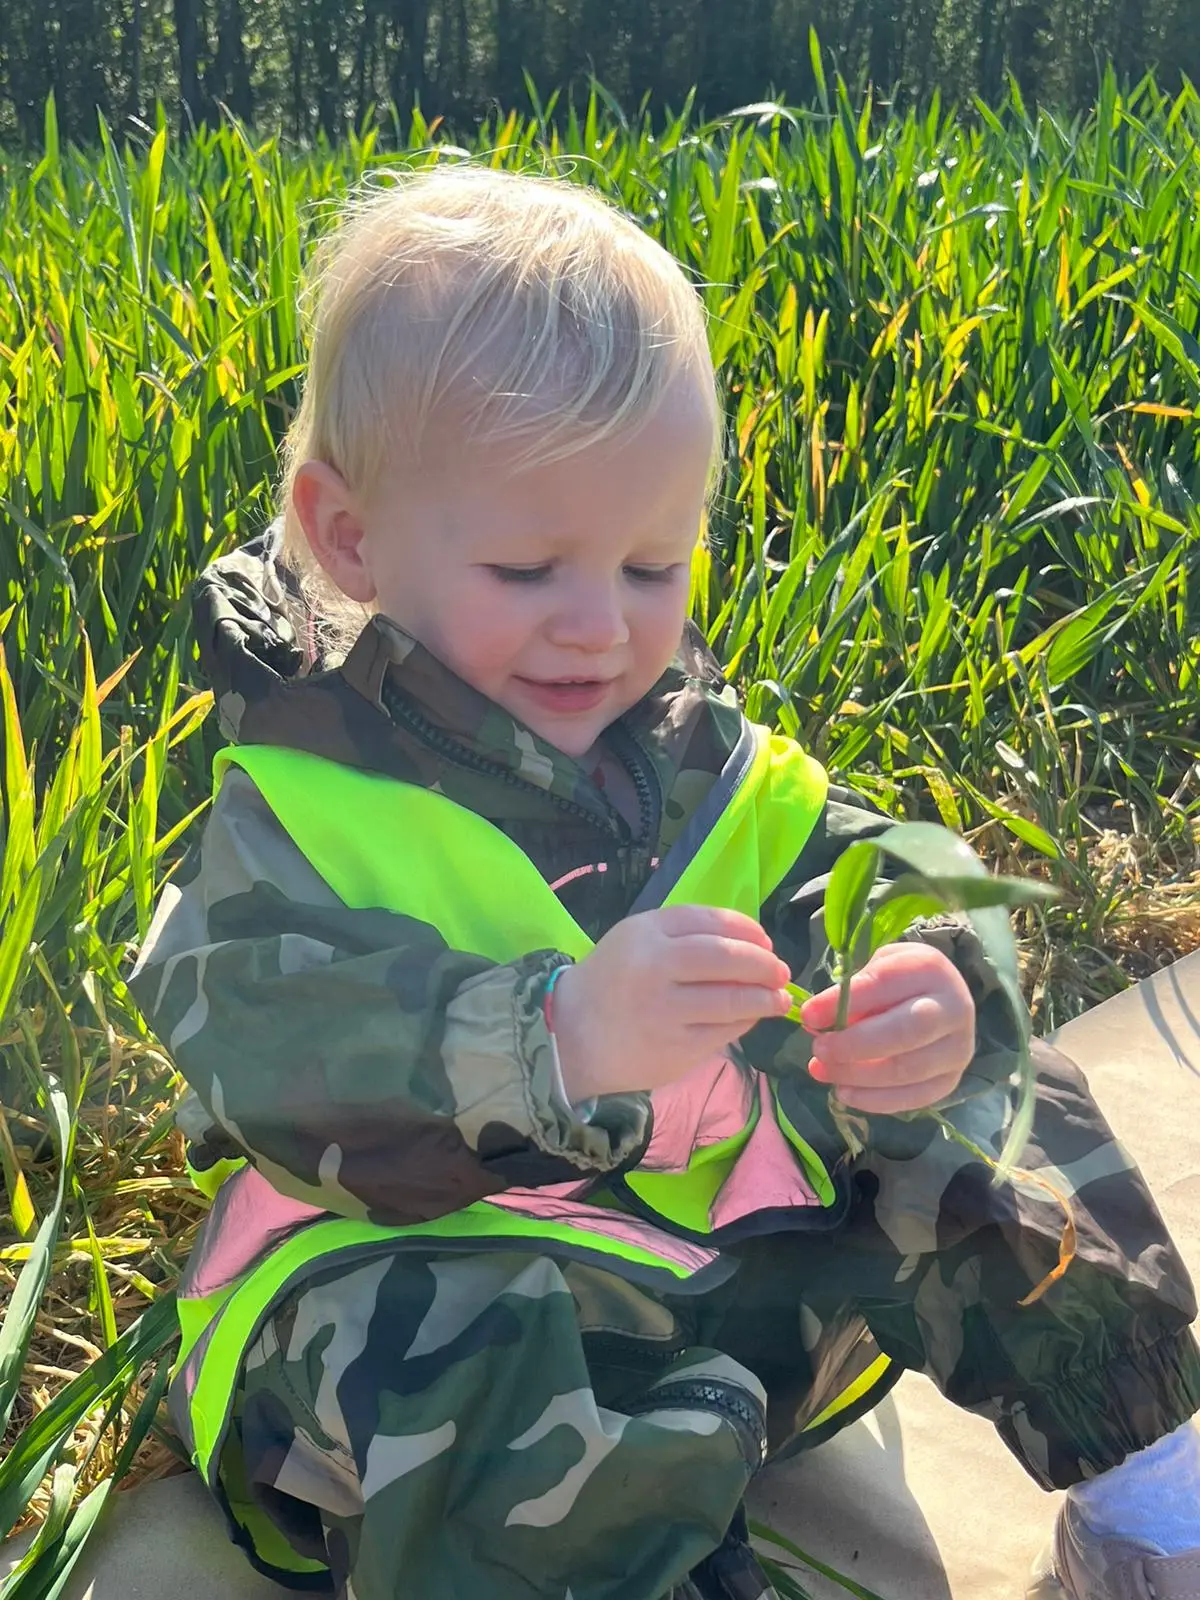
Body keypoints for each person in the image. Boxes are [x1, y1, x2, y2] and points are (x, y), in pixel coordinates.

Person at [131, 166, 1200, 1600]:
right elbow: (261, 1048)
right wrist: (548, 1041)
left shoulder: (705, 762)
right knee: (471, 1344)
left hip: (726, 1287)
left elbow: (888, 867)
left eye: (653, 564)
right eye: (527, 567)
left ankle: (1153, 1489)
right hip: (427, 1325)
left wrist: (935, 984)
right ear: (350, 539)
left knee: (992, 1097)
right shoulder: (304, 807)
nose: (600, 626)